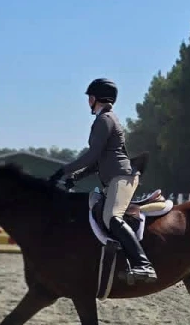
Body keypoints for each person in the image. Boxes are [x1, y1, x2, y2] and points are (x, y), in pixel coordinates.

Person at [51, 78, 156, 284]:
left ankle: (143, 265)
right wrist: (75, 178)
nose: (88, 101)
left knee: (112, 217)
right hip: (113, 177)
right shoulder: (105, 119)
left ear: (95, 98)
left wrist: (63, 171)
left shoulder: (104, 120)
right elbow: (97, 162)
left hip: (122, 177)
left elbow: (91, 156)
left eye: (89, 97)